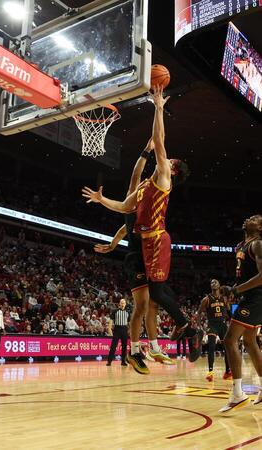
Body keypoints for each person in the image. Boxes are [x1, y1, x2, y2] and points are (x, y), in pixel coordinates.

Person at [82, 86, 203, 363]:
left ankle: (187, 328)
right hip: (146, 242)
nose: (167, 157)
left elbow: (159, 142)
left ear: (172, 169)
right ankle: (172, 333)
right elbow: (125, 207)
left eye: (170, 160)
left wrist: (158, 108)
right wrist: (102, 200)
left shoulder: (164, 178)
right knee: (153, 296)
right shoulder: (147, 185)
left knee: (156, 293)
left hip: (157, 239)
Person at [95, 138, 173, 375]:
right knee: (140, 306)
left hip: (150, 254)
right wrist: (146, 150)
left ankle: (154, 347)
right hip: (136, 256)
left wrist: (112, 243)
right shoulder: (134, 198)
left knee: (154, 305)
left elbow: (122, 230)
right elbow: (135, 175)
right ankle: (135, 351)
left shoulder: (145, 205)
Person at [219, 215, 262, 413]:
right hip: (249, 298)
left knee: (229, 340)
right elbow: (246, 275)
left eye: (255, 218)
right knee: (249, 342)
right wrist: (232, 289)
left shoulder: (258, 244)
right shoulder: (240, 246)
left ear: (260, 227)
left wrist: (237, 291)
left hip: (258, 298)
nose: (248, 218)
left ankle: (238, 393)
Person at [196, 279, 232, 382]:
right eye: (211, 282)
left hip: (222, 324)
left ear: (219, 285)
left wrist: (234, 322)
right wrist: (199, 326)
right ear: (210, 286)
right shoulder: (206, 299)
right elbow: (198, 313)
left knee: (227, 349)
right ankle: (210, 372)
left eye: (215, 282)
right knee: (211, 347)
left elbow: (230, 313)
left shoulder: (224, 299)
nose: (213, 283)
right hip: (212, 325)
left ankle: (227, 372)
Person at [106, 298, 130, 366]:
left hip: (124, 329)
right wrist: (109, 328)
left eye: (124, 303)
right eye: (121, 303)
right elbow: (111, 320)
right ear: (119, 304)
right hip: (117, 329)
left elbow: (129, 322)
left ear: (125, 304)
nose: (122, 304)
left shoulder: (128, 312)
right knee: (113, 346)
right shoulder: (115, 311)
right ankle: (109, 361)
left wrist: (130, 330)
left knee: (124, 346)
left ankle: (123, 361)